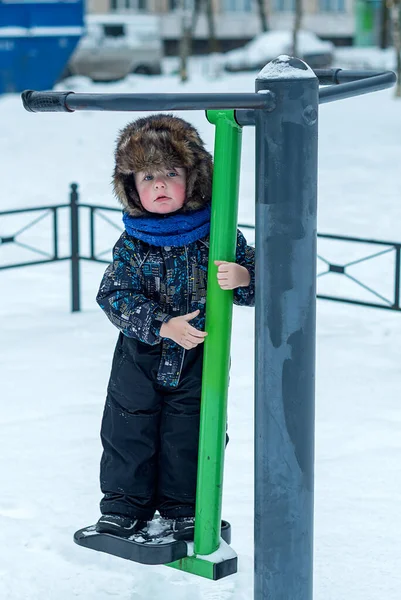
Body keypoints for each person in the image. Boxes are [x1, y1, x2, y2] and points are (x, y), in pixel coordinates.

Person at [95, 114, 255, 541]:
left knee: (191, 431)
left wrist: (245, 277)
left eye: (171, 172)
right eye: (148, 176)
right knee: (129, 429)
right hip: (140, 356)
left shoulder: (217, 235)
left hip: (201, 356)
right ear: (132, 187)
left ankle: (186, 507)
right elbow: (113, 295)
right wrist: (162, 325)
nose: (160, 184)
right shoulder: (132, 243)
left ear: (195, 180)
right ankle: (123, 507)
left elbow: (255, 280)